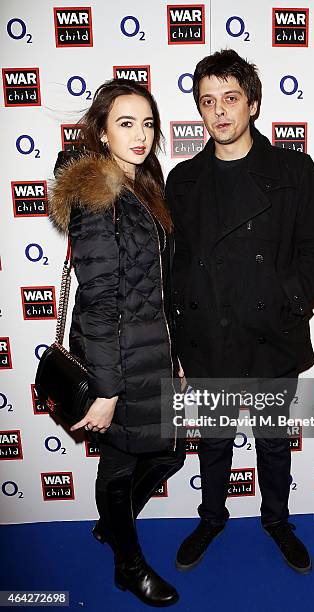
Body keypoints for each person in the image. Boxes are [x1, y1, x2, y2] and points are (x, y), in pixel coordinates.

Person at [166, 50, 314, 574]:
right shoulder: (183, 180)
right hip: (208, 337)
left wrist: (284, 296)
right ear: (200, 111)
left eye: (230, 98)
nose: (219, 111)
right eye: (207, 102)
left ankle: (277, 520)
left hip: (269, 333)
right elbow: (174, 268)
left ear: (253, 103)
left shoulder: (293, 170)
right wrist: (179, 341)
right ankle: (212, 517)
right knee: (214, 440)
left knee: (272, 440)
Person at [50, 79, 185, 607]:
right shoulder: (98, 194)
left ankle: (113, 523)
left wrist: (173, 358)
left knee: (166, 455)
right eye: (125, 123)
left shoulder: (144, 189)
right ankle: (128, 566)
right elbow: (101, 301)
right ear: (102, 133)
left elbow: (154, 289)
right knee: (121, 464)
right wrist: (106, 389)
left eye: (147, 123)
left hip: (151, 356)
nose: (140, 134)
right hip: (118, 363)